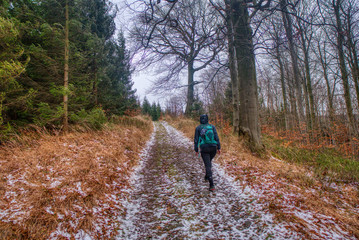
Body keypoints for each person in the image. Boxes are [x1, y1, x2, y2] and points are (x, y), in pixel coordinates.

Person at [194, 114, 221, 191]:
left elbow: (196, 140)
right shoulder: (212, 127)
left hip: (204, 148)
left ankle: (211, 185)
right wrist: (219, 147)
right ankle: (206, 176)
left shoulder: (198, 128)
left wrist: (196, 149)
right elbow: (216, 137)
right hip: (213, 148)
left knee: (207, 165)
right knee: (208, 162)